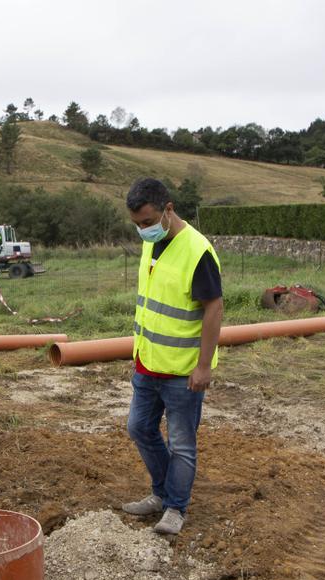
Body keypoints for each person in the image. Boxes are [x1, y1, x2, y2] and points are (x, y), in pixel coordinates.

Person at [121, 177, 223, 535]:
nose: (143, 230)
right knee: (139, 428)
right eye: (137, 225)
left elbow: (214, 307)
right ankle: (162, 493)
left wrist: (204, 365)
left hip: (183, 372)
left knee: (182, 443)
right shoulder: (153, 244)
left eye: (147, 222)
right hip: (148, 364)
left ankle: (175, 508)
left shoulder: (197, 251)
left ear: (168, 209)